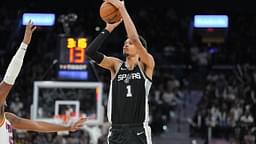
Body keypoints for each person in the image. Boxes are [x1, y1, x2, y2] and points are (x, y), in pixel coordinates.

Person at [0, 21, 86, 143]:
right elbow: (9, 78)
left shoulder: (9, 118)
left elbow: (38, 125)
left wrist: (67, 127)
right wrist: (24, 44)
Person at [86, 0, 155, 143]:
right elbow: (90, 52)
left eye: (129, 43)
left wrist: (122, 9)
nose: (126, 45)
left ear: (141, 49)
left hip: (138, 131)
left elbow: (135, 39)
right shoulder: (116, 66)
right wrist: (108, 29)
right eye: (125, 43)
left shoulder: (146, 65)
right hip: (116, 131)